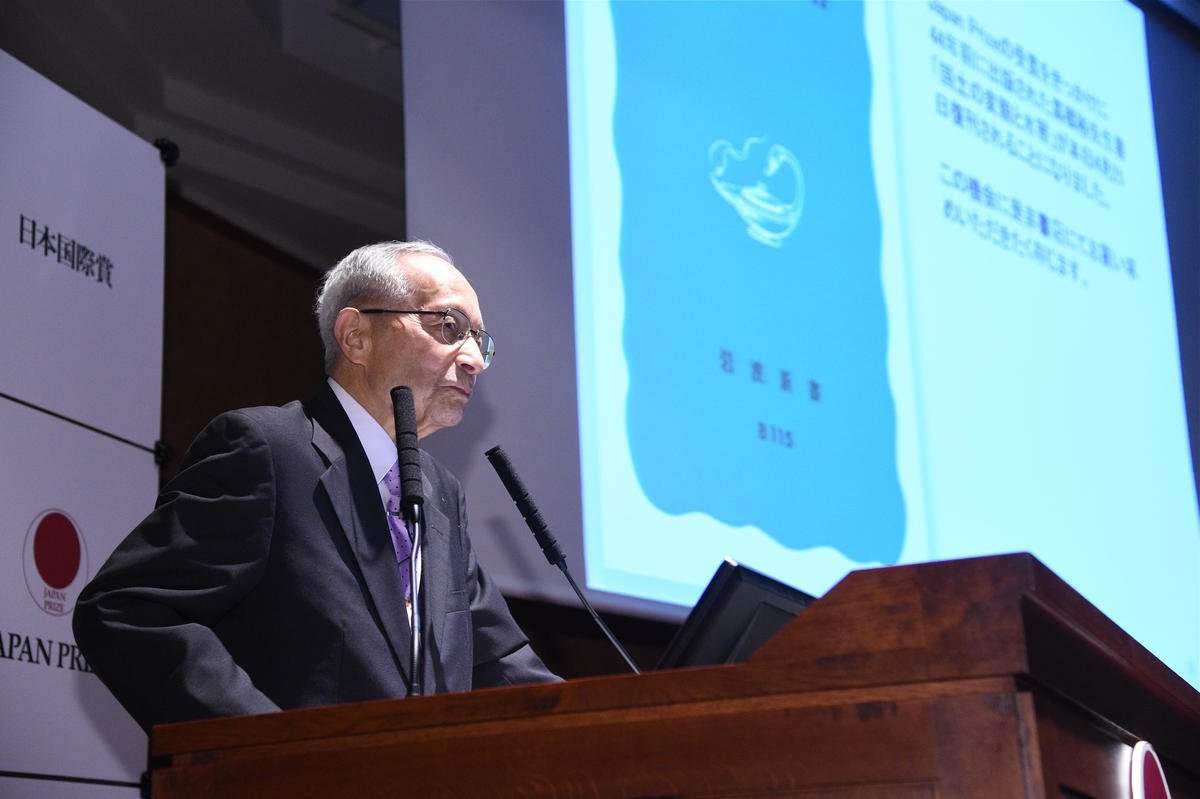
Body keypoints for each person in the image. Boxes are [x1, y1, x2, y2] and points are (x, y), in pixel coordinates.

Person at [73, 241, 558, 732]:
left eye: (480, 339)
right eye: (449, 327)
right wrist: (273, 753)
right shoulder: (268, 450)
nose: (474, 358)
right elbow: (128, 609)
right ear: (356, 336)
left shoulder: (439, 494)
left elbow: (501, 664)